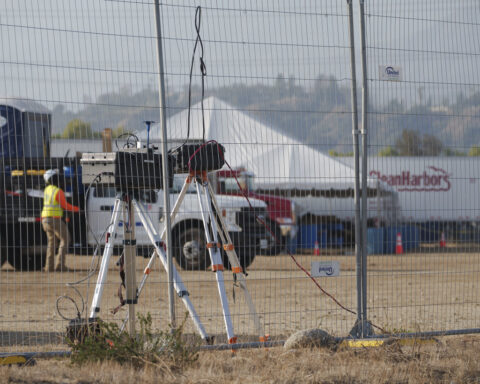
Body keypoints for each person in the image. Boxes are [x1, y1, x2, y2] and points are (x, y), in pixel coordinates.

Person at [41, 169, 79, 272]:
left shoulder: (47, 189)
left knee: (52, 242)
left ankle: (49, 267)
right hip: (55, 220)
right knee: (65, 239)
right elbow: (64, 205)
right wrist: (77, 209)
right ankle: (60, 265)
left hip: (45, 219)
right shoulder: (58, 191)